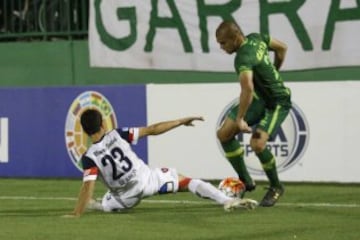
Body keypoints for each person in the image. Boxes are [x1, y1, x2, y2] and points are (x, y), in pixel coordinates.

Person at [63, 109, 258, 217]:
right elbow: (153, 129)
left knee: (101, 204)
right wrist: (180, 120)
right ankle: (226, 200)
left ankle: (101, 206)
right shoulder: (119, 134)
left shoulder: (89, 157)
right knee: (188, 182)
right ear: (103, 124)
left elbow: (87, 186)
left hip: (125, 199)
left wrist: (76, 213)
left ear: (85, 131)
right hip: (149, 181)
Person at [215, 21, 292, 207]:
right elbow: (282, 48)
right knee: (224, 134)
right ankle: (246, 180)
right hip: (261, 98)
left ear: (235, 38)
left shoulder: (242, 58)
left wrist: (240, 119)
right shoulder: (257, 38)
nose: (221, 47)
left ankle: (276, 186)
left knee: (257, 144)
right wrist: (274, 70)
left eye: (223, 43)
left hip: (277, 102)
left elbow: (247, 90)